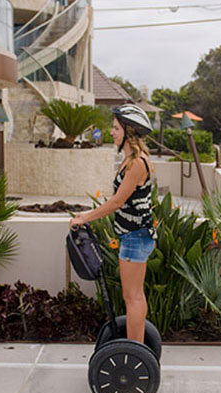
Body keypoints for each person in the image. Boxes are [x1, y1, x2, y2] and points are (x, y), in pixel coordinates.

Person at [69, 104, 156, 343]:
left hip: (135, 236)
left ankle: (135, 351)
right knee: (133, 296)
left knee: (133, 297)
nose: (111, 132)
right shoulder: (129, 161)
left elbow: (117, 202)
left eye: (116, 128)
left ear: (129, 132)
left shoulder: (138, 163)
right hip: (132, 236)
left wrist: (84, 216)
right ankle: (136, 348)